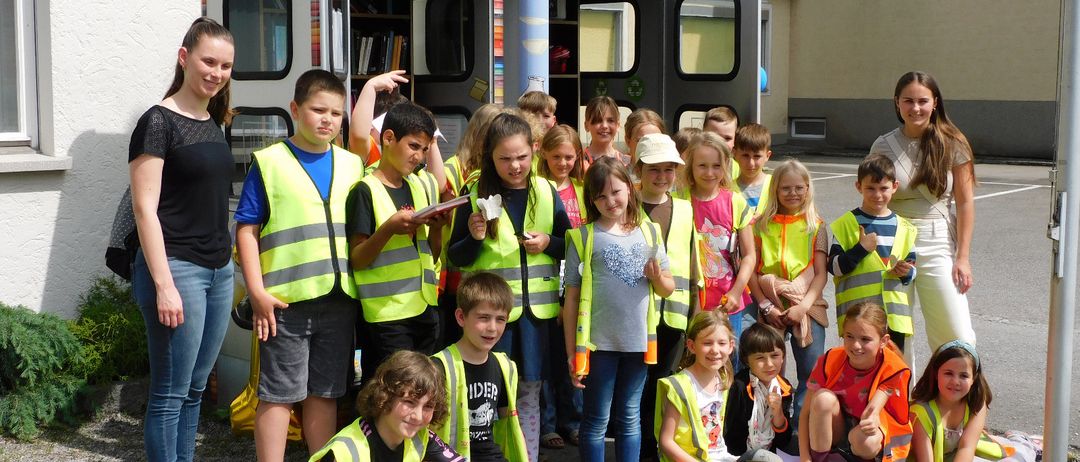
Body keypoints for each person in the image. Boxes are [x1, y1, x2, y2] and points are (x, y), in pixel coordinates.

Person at [235, 69, 364, 461]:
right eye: (318, 109)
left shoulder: (352, 165)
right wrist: (256, 292)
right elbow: (246, 231)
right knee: (277, 395)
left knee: (324, 393)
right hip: (283, 303)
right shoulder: (269, 162)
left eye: (337, 113)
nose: (327, 120)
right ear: (295, 109)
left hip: (339, 299)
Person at [128, 17, 236, 462]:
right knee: (170, 393)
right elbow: (144, 209)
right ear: (184, 57)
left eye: (226, 65)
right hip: (178, 270)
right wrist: (164, 284)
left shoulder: (213, 121)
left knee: (195, 389)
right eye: (209, 61)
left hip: (218, 269)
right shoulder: (157, 122)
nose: (217, 72)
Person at [448, 112, 572, 462]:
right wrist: (473, 238)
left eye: (521, 157)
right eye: (505, 158)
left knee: (529, 394)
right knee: (488, 395)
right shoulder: (473, 193)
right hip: (492, 319)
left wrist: (549, 242)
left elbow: (571, 245)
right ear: (490, 156)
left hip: (536, 318)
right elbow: (456, 257)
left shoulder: (547, 190)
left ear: (534, 150)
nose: (515, 166)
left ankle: (526, 457)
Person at [564, 156, 675, 462]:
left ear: (629, 187)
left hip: (639, 343)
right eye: (600, 195)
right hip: (597, 344)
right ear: (591, 200)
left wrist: (656, 278)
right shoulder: (583, 237)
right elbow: (571, 298)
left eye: (615, 191)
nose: (610, 200)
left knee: (629, 417)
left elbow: (668, 287)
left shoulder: (650, 231)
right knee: (596, 419)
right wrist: (572, 351)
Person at [869, 71, 977, 351]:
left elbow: (965, 203)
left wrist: (963, 257)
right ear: (897, 103)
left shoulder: (953, 142)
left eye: (922, 101)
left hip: (938, 240)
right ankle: (898, 394)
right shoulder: (882, 145)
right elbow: (872, 198)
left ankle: (952, 393)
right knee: (895, 336)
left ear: (935, 102)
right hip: (892, 242)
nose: (915, 108)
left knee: (957, 336)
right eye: (908, 101)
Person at [349, 102, 448, 378]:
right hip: (386, 316)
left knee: (420, 389)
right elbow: (357, 259)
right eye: (414, 146)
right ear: (389, 138)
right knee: (390, 393)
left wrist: (438, 229)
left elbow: (432, 255)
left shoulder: (420, 185)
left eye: (425, 149)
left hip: (425, 309)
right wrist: (388, 229)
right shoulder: (365, 190)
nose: (419, 156)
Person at [632, 133, 702, 461]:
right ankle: (640, 452)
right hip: (633, 317)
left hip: (674, 318)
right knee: (637, 391)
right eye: (653, 170)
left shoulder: (686, 209)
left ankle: (660, 450)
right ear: (639, 170)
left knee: (664, 388)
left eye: (668, 170)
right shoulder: (626, 204)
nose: (662, 177)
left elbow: (694, 266)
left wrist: (696, 318)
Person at [747, 159, 829, 427]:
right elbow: (753, 270)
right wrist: (765, 306)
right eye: (786, 188)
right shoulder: (759, 225)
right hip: (770, 308)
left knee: (811, 373)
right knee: (768, 372)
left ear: (808, 188)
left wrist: (802, 307)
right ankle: (772, 427)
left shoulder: (816, 225)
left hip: (806, 308)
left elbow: (820, 273)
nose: (793, 193)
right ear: (775, 190)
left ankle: (799, 431)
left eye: (799, 188)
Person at [431, 271, 528, 461]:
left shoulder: (504, 366)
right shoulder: (437, 367)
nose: (492, 327)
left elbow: (507, 422)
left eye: (500, 319)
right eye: (483, 318)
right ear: (461, 317)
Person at [799, 302, 913, 462]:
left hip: (864, 432)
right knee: (823, 398)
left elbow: (873, 410)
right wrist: (805, 458)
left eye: (865, 339)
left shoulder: (893, 367)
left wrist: (872, 420)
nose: (855, 345)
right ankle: (822, 459)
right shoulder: (829, 360)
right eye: (849, 336)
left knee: (866, 441)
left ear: (884, 341)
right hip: (836, 429)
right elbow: (805, 414)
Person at [828, 154, 917, 354]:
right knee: (859, 371)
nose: (877, 195)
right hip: (857, 319)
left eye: (883, 188)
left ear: (895, 186)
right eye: (871, 188)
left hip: (893, 320)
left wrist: (905, 272)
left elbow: (913, 269)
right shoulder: (846, 224)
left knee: (892, 372)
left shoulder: (905, 227)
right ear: (858, 186)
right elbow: (833, 267)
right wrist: (861, 250)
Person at [309, 350, 464, 461]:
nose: (417, 416)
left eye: (428, 406)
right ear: (384, 396)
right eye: (409, 402)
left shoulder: (421, 436)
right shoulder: (346, 451)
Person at [535, 123, 588, 448]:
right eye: (557, 156)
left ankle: (574, 421)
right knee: (547, 359)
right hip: (546, 282)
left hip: (578, 283)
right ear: (544, 154)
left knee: (574, 355)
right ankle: (548, 422)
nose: (564, 163)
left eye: (570, 157)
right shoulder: (538, 188)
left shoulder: (582, 190)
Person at [684, 132, 756, 364]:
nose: (709, 172)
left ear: (725, 166)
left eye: (716, 166)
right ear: (691, 167)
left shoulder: (735, 202)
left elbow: (749, 255)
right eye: (702, 165)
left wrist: (736, 291)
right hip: (690, 302)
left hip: (727, 302)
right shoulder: (680, 201)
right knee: (690, 361)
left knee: (725, 363)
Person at [910, 341, 1016, 462]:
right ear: (935, 374)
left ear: (973, 379)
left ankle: (1020, 440)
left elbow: (967, 448)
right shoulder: (920, 413)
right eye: (948, 373)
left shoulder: (976, 403)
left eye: (964, 376)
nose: (956, 381)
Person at [655, 311, 737, 462]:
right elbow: (666, 441)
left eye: (722, 343)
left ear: (731, 346)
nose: (715, 350)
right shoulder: (680, 386)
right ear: (692, 346)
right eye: (707, 343)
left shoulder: (722, 379)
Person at [723, 323, 793, 462]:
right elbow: (729, 433)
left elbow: (784, 441)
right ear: (746, 360)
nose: (769, 364)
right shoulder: (739, 387)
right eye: (760, 358)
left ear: (783, 357)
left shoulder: (784, 388)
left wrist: (778, 412)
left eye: (774, 355)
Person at [731, 124, 773, 214]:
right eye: (745, 155)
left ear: (767, 156)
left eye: (757, 156)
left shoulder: (775, 185)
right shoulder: (728, 190)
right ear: (734, 153)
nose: (751, 163)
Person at [582, 96, 629, 168]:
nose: (604, 126)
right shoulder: (578, 162)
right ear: (586, 125)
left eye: (610, 121)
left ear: (618, 125)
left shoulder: (626, 162)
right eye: (598, 120)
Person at [702, 106, 741, 180]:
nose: (721, 143)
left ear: (735, 140)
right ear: (703, 135)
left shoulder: (741, 170)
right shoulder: (690, 166)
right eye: (714, 137)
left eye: (727, 138)